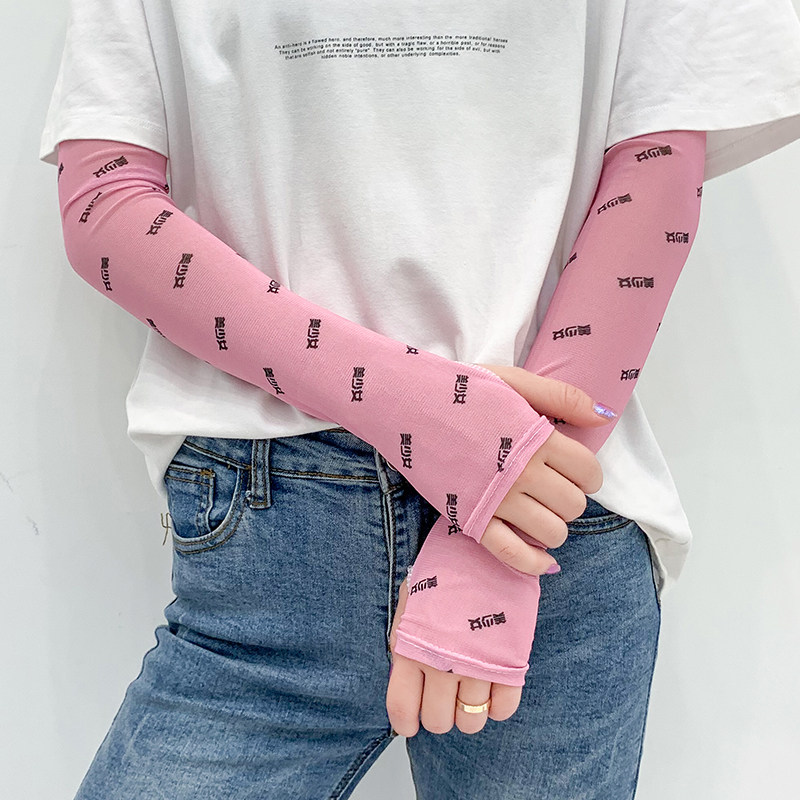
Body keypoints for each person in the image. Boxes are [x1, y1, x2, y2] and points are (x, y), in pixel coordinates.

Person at [40, 2, 800, 798]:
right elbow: (103, 205)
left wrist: (497, 530)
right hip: (271, 542)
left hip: (548, 534)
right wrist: (429, 415)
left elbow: (658, 166)